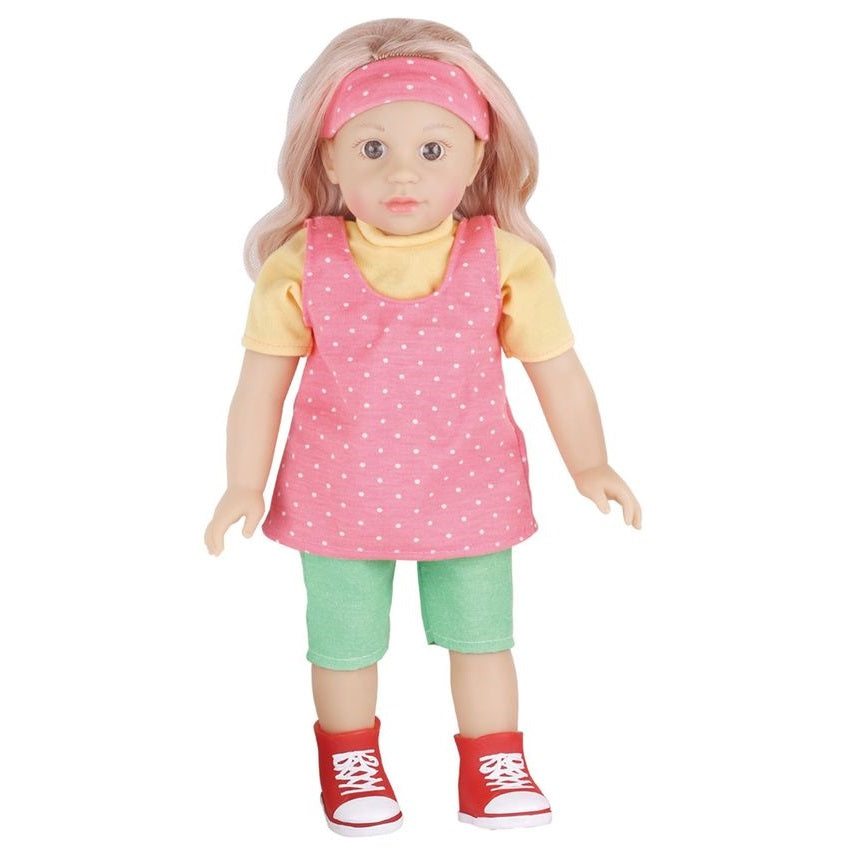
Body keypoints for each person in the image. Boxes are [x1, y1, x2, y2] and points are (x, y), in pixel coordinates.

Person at [204, 17, 641, 837]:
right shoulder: (302, 262)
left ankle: (494, 761)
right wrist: (241, 483)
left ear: (477, 155)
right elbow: (259, 385)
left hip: (469, 487)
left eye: (433, 149)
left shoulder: (504, 260)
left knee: (483, 636)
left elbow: (558, 371)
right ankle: (350, 758)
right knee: (343, 643)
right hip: (341, 492)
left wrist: (592, 464)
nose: (402, 171)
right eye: (372, 148)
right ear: (328, 158)